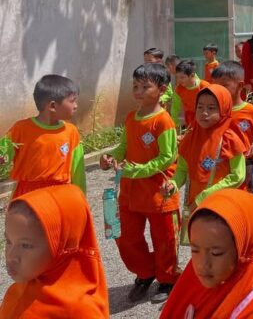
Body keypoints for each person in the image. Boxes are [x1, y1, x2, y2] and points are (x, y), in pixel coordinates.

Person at [99, 63, 180, 303]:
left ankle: (167, 278)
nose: (139, 91)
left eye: (146, 86)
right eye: (136, 86)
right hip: (131, 193)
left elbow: (168, 157)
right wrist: (111, 157)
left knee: (165, 238)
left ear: (162, 89)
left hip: (159, 192)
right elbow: (124, 146)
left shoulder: (164, 121)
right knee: (125, 236)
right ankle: (145, 272)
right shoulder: (131, 118)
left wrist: (138, 171)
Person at [159, 189, 253, 319]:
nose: (203, 265)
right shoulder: (192, 281)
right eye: (195, 250)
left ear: (242, 248)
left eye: (216, 253)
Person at [0, 184, 109, 318]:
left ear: (61, 245)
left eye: (25, 246)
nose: (11, 256)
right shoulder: (17, 291)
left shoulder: (79, 311)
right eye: (8, 241)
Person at [162, 85, 247, 212]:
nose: (204, 113)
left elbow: (237, 176)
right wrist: (173, 184)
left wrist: (204, 196)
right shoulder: (190, 137)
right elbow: (182, 170)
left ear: (224, 109)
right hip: (194, 206)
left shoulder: (230, 139)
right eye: (200, 107)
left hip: (222, 206)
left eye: (211, 108)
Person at [0, 74, 85, 198]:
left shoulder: (71, 132)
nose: (76, 105)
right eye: (72, 101)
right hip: (27, 197)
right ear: (52, 106)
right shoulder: (21, 129)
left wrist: (80, 198)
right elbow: (3, 153)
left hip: (60, 195)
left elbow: (78, 172)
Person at [211, 61, 253, 196]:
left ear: (240, 86)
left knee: (248, 205)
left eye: (224, 85)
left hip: (246, 170)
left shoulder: (250, 111)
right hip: (219, 173)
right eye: (215, 86)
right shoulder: (213, 111)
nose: (218, 90)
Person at [175, 59, 210, 130]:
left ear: (192, 75)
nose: (178, 80)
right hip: (190, 124)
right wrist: (175, 123)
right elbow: (175, 108)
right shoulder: (179, 89)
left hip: (204, 122)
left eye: (182, 77)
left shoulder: (205, 86)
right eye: (177, 77)